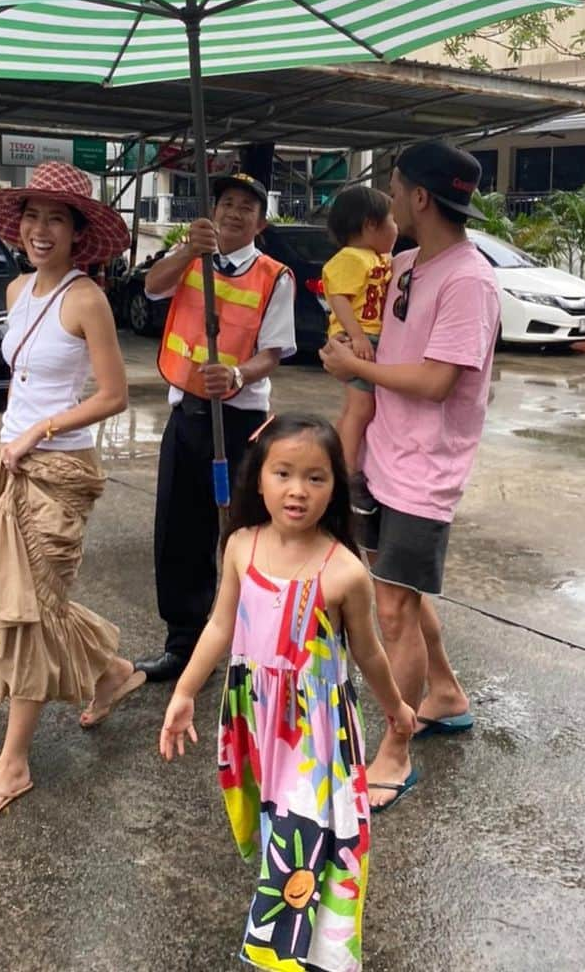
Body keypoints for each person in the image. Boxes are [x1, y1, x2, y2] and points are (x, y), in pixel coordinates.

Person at [159, 415, 416, 972]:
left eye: (316, 478)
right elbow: (220, 627)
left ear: (335, 489)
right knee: (280, 827)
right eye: (283, 473)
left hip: (316, 736)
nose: (298, 490)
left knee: (301, 841)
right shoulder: (241, 547)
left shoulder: (344, 571)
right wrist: (184, 692)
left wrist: (395, 708)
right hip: (254, 720)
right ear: (260, 481)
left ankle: (287, 955)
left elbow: (368, 653)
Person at [0, 162, 144, 822]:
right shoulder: (16, 292)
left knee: (30, 612)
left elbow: (114, 396)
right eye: (32, 216)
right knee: (27, 600)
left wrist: (43, 429)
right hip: (13, 464)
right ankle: (112, 671)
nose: (40, 229)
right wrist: (12, 436)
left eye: (55, 219)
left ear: (77, 231)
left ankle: (14, 764)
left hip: (61, 473)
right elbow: (23, 379)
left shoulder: (86, 298)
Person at [319, 141, 501, 812]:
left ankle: (394, 750)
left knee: (391, 606)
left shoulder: (468, 280)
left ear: (420, 197)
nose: (390, 201)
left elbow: (433, 381)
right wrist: (353, 354)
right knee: (403, 593)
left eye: (395, 189)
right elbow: (388, 353)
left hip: (427, 471)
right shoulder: (400, 267)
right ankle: (445, 693)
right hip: (383, 456)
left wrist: (355, 370)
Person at [134, 173, 297, 684]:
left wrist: (238, 374)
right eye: (225, 202)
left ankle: (251, 645)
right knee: (178, 532)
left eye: (246, 206)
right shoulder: (189, 259)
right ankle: (183, 643)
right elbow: (152, 288)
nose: (233, 212)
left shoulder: (275, 276)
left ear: (261, 221)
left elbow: (273, 350)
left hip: (241, 421)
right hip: (188, 416)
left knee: (243, 534)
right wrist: (186, 252)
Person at [320, 186, 397, 486]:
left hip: (369, 337)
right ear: (370, 225)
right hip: (359, 339)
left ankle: (345, 465)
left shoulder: (376, 257)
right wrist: (357, 336)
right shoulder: (352, 257)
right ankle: (345, 473)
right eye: (391, 220)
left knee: (362, 406)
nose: (396, 227)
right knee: (360, 407)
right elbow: (338, 297)